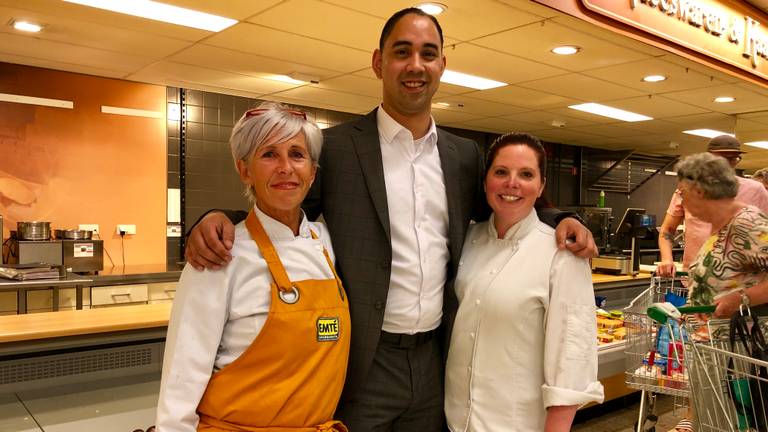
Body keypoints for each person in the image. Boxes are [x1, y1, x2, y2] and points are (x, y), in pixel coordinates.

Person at [184, 8, 597, 431]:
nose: (415, 65)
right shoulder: (339, 149)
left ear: (442, 66)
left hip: (436, 361)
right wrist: (221, 217)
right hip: (365, 363)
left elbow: (506, 203)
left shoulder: (462, 156)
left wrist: (561, 216)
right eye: (402, 52)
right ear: (379, 62)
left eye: (428, 53)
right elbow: (286, 207)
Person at [155, 102, 349, 432]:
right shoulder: (219, 255)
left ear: (313, 173)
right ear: (245, 170)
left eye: (297, 154)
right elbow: (183, 373)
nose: (286, 167)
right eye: (269, 154)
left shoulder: (329, 244)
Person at [445, 133, 604, 431]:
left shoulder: (562, 255)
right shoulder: (466, 240)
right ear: (485, 180)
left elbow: (571, 361)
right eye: (501, 172)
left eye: (526, 174)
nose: (512, 183)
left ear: (541, 185)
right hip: (455, 420)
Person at [658, 135, 768, 278]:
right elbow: (667, 230)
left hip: (738, 283)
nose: (727, 164)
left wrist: (742, 296)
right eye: (722, 158)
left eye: (733, 158)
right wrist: (667, 259)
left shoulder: (754, 193)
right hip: (695, 277)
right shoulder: (689, 188)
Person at [675, 153, 768, 318]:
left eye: (682, 193)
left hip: (740, 339)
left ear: (699, 191)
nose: (682, 201)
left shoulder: (746, 224)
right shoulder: (722, 225)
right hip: (712, 340)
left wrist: (742, 299)